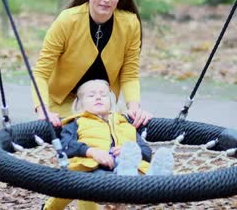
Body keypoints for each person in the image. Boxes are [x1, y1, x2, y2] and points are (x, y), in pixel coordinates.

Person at [32, 0, 152, 129]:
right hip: (64, 105)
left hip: (103, 106)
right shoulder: (67, 20)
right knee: (81, 135)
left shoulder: (130, 24)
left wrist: (134, 108)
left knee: (123, 134)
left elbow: (129, 74)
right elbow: (41, 73)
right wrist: (43, 111)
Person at [43, 80, 172, 210]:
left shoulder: (125, 124)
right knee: (88, 182)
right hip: (93, 171)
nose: (98, 97)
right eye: (91, 95)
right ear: (80, 103)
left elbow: (146, 151)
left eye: (103, 95)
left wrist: (129, 151)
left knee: (136, 162)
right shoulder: (77, 122)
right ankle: (129, 179)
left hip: (129, 169)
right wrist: (91, 151)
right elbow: (65, 146)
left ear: (111, 101)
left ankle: (155, 179)